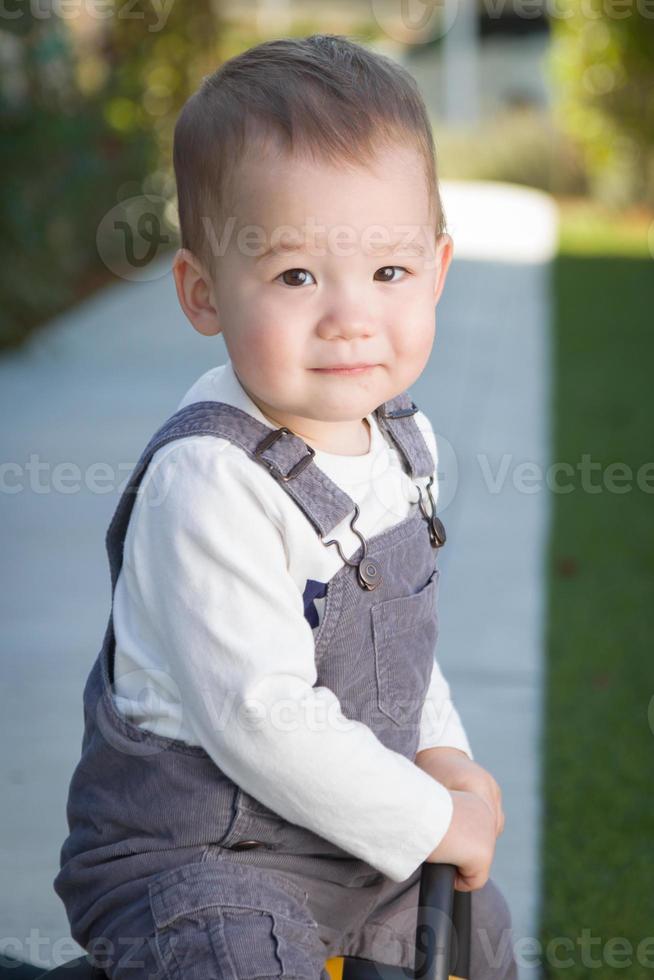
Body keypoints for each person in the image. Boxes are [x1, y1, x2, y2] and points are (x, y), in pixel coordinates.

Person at [54, 33, 518, 980]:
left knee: (479, 930)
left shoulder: (399, 439)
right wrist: (431, 820)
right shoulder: (212, 480)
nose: (350, 315)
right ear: (202, 292)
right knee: (241, 952)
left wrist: (440, 755)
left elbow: (401, 644)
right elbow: (262, 717)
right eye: (297, 275)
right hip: (194, 857)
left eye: (386, 273)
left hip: (342, 835)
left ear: (436, 269)